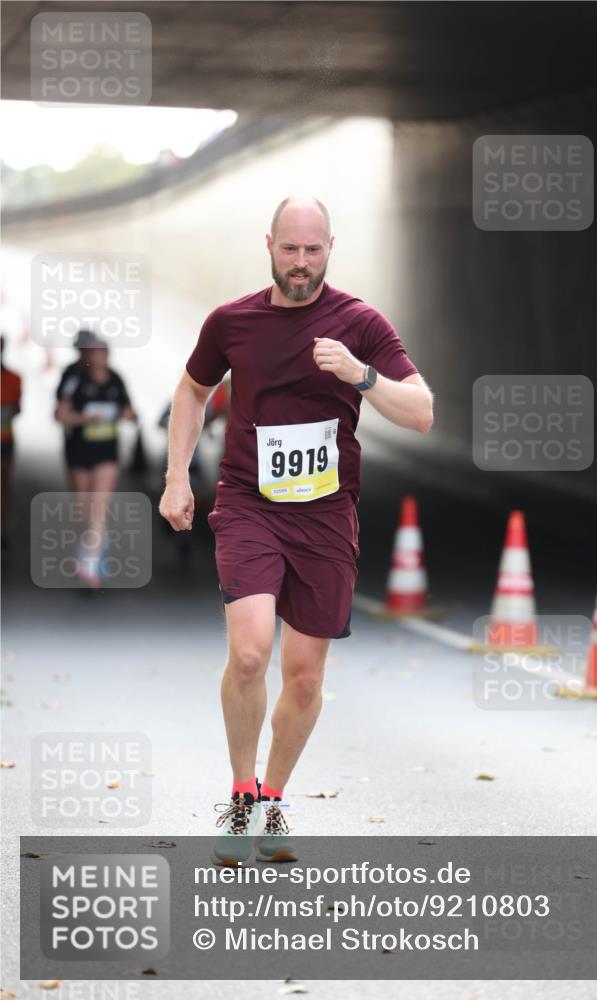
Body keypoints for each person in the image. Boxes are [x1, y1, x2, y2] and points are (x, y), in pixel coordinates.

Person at [159, 196, 433, 864]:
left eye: (313, 251)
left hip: (325, 514)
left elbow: (421, 412)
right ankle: (241, 795)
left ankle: (273, 801)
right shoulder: (232, 322)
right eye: (290, 249)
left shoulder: (359, 324)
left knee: (304, 677)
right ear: (269, 245)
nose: (301, 264)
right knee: (251, 653)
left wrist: (360, 374)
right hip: (249, 502)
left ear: (330, 248)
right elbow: (192, 390)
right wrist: (175, 475)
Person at [54, 330, 137, 588]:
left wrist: (126, 415)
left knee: (99, 505)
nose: (99, 357)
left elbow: (130, 411)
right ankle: (86, 544)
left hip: (107, 452)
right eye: (93, 352)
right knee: (82, 506)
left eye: (103, 352)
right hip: (79, 449)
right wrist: (85, 419)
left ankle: (91, 563)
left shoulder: (115, 380)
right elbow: (59, 415)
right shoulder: (73, 377)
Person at [1, 335, 22, 552]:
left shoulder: (13, 379)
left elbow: (17, 408)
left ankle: (3, 528)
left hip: (5, 440)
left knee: (4, 486)